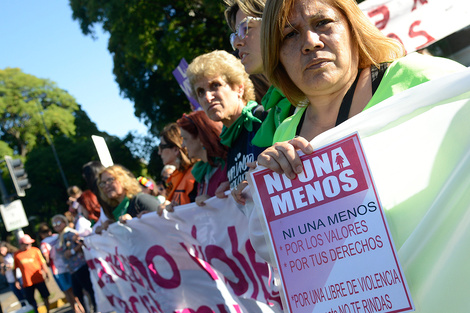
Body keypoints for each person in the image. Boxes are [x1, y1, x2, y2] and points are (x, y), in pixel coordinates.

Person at [255, 0, 466, 178]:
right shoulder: (284, 133)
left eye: (322, 23)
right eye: (290, 35)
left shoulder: (419, 77)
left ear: (352, 28)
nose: (310, 42)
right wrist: (264, 182)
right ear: (277, 56)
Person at [186, 50, 266, 202]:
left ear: (239, 88)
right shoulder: (229, 140)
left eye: (215, 85)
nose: (208, 97)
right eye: (200, 92)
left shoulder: (264, 118)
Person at [224, 0, 294, 148]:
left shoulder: (315, 92)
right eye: (234, 35)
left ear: (276, 23)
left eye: (245, 28)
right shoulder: (275, 110)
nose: (237, 43)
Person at [176, 110, 229, 206]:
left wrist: (214, 203)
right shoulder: (201, 172)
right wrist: (176, 209)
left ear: (201, 138)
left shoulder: (227, 167)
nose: (182, 145)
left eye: (185, 139)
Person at [52, 215, 95, 313]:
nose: (56, 226)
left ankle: (96, 309)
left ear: (64, 222)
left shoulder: (70, 233)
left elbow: (81, 242)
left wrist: (72, 251)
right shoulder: (60, 236)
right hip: (72, 269)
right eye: (54, 224)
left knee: (88, 289)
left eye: (58, 223)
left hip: (80, 265)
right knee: (77, 293)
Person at [38, 224, 83, 313]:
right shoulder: (57, 236)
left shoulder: (44, 244)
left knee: (67, 292)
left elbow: (47, 258)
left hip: (57, 270)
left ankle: (76, 309)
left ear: (41, 234)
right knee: (74, 289)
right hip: (68, 265)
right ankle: (81, 307)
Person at [157, 123, 197, 214]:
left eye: (161, 147)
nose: (159, 152)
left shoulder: (196, 173)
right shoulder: (175, 177)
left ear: (175, 149)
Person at [14, 234, 50, 313]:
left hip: (39, 278)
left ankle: (48, 311)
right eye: (27, 244)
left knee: (45, 296)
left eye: (30, 243)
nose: (29, 245)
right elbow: (15, 268)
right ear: (21, 244)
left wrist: (46, 273)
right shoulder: (17, 255)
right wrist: (16, 280)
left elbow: (42, 262)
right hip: (27, 282)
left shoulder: (35, 250)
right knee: (30, 300)